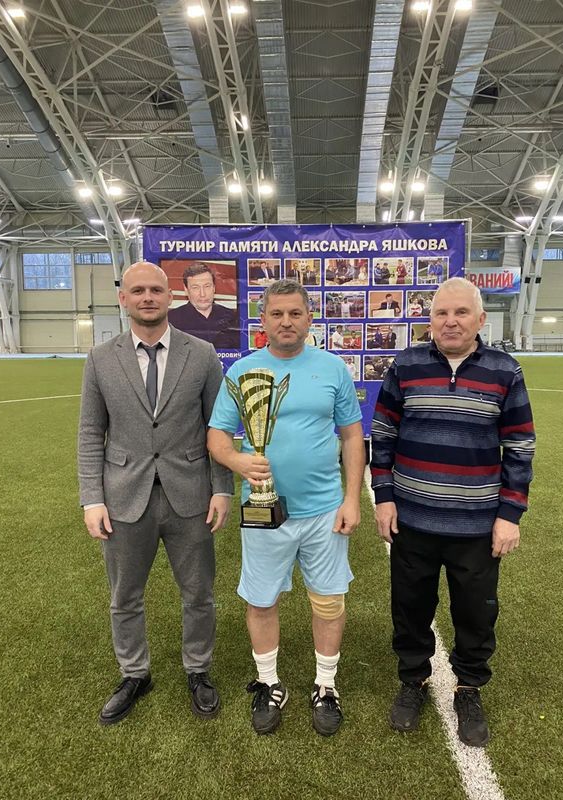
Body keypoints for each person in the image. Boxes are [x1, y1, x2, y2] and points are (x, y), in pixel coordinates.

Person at [370, 277, 535, 748]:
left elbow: (520, 445)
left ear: (480, 319)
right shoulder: (405, 365)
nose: (450, 321)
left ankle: (468, 688)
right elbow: (383, 434)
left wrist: (509, 514)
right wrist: (384, 496)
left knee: (475, 613)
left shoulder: (505, 371)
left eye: (461, 313)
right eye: (441, 313)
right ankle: (413, 680)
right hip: (412, 519)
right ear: (430, 319)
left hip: (477, 525)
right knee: (410, 607)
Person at [207, 280, 365, 737]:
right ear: (263, 320)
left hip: (324, 509)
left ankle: (326, 685)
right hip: (263, 511)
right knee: (261, 600)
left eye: (295, 313)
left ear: (309, 318)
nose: (286, 322)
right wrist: (237, 460)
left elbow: (352, 435)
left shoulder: (332, 368)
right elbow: (217, 434)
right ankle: (269, 682)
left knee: (329, 601)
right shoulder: (243, 371)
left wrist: (352, 498)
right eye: (277, 314)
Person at [78, 261, 233, 726]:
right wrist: (92, 498)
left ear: (170, 297)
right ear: (123, 298)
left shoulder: (202, 354)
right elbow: (91, 432)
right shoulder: (100, 359)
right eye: (138, 290)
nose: (147, 297)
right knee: (124, 596)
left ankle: (198, 669)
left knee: (199, 594)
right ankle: (134, 673)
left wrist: (222, 489)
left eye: (156, 290)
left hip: (191, 495)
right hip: (124, 497)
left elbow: (218, 427)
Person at [168, 263, 239, 349]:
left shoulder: (232, 317)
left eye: (207, 286)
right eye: (195, 287)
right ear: (186, 290)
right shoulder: (171, 320)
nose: (202, 294)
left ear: (214, 288)